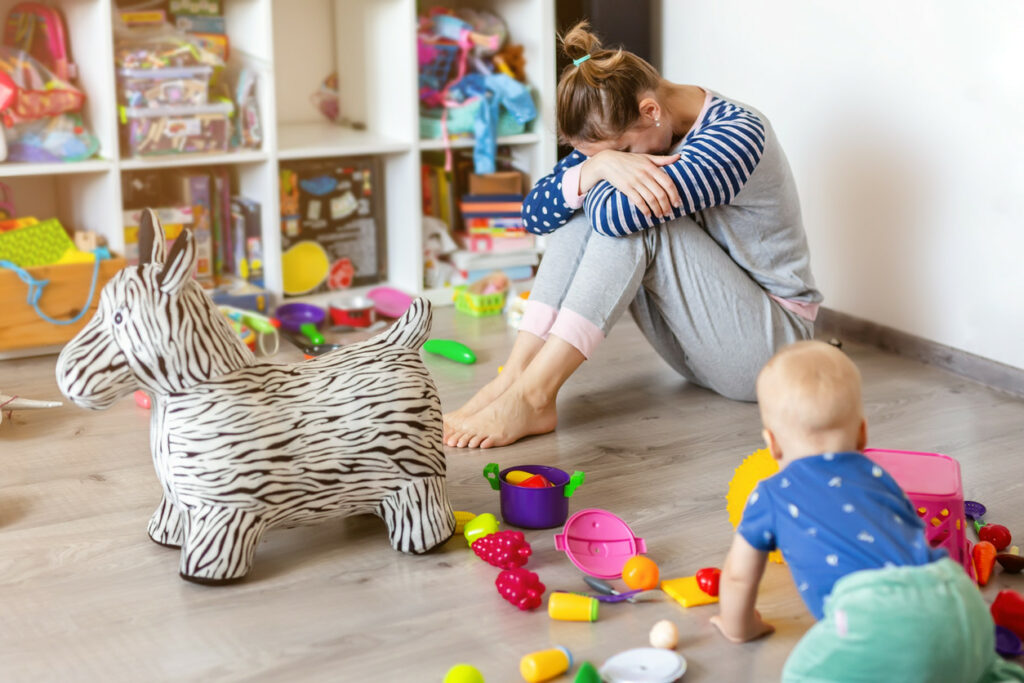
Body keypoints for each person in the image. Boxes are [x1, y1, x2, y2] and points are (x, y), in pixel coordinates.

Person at [443, 21, 821, 449]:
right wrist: (598, 167)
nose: (616, 163)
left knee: (631, 219)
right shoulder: (620, 127)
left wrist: (596, 174)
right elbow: (534, 215)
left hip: (771, 351)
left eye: (620, 152)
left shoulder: (735, 135)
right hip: (699, 346)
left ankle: (534, 395)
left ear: (650, 112)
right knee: (579, 204)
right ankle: (514, 378)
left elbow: (615, 220)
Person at [711, 341, 1024, 682]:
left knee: (801, 674)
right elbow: (912, 530)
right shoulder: (879, 476)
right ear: (863, 433)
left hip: (874, 617)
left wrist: (739, 627)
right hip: (956, 596)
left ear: (771, 442)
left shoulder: (770, 493)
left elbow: (738, 576)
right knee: (971, 668)